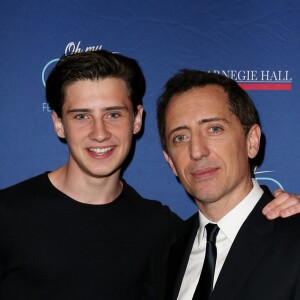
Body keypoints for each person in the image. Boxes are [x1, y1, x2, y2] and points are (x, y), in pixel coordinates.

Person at [0, 51, 298, 299]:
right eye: (81, 116)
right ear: (58, 124)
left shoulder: (161, 231)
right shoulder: (7, 214)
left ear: (137, 119)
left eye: (114, 114)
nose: (100, 132)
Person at [143, 69, 300, 300]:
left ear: (252, 141)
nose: (196, 151)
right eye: (180, 137)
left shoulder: (294, 238)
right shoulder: (166, 252)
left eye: (214, 129)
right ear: (170, 162)